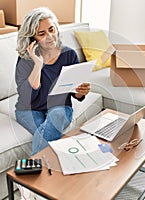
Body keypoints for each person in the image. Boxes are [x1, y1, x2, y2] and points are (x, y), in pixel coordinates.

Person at [15, 7, 90, 157]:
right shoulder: (25, 60)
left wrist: (81, 92)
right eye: (41, 33)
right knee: (47, 132)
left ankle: (35, 166)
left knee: (56, 117)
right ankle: (44, 169)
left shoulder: (69, 54)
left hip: (59, 107)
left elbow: (76, 93)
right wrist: (37, 65)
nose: (50, 36)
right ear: (32, 39)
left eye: (51, 29)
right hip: (29, 109)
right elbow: (26, 96)